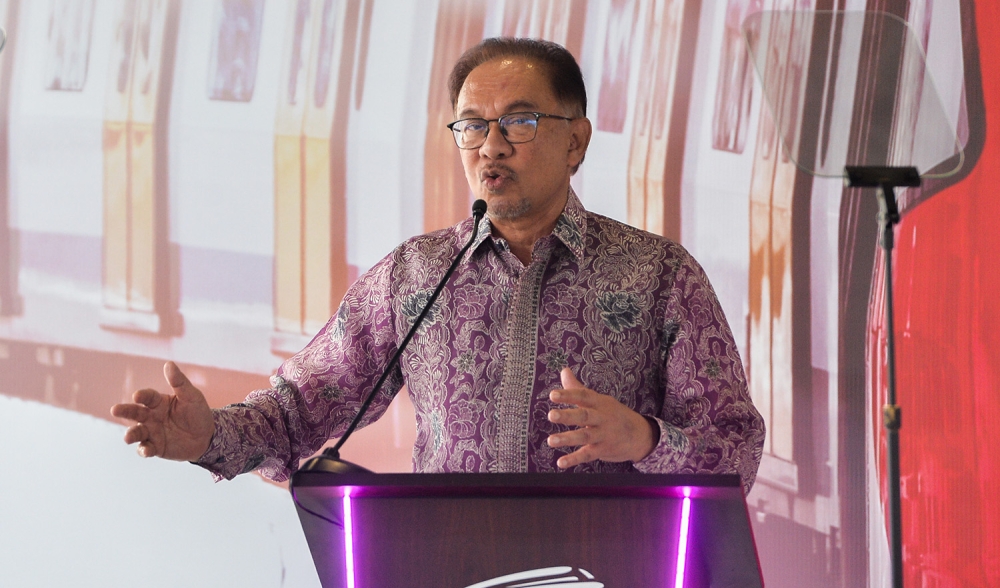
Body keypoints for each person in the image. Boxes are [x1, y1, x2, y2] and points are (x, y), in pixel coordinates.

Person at [111, 38, 765, 493]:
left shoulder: (658, 275)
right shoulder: (417, 276)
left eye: (519, 122)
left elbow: (736, 448)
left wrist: (645, 438)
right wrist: (208, 436)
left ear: (577, 140)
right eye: (471, 126)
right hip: (449, 587)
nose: (491, 147)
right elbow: (296, 412)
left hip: (611, 586)